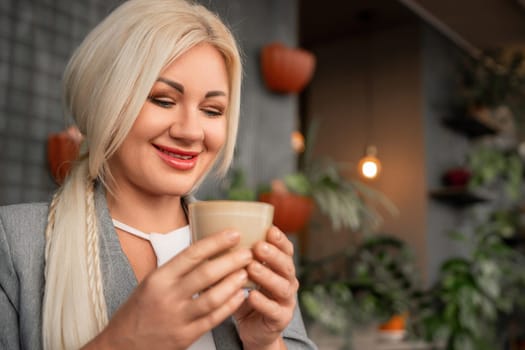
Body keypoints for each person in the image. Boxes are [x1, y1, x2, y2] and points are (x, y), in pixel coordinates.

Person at [0, 0, 318, 349]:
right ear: (103, 100)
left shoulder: (243, 241)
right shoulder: (14, 245)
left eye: (212, 110)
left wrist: (266, 343)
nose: (191, 132)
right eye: (164, 100)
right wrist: (123, 341)